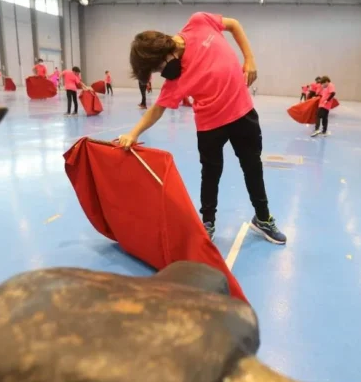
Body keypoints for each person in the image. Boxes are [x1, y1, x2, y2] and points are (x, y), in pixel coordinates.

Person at [118, 12, 286, 245]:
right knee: (210, 174)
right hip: (210, 125)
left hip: (242, 114)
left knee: (253, 168)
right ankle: (208, 222)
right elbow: (157, 109)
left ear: (166, 50)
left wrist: (250, 59)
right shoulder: (174, 80)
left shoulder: (199, 22)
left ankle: (263, 218)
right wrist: (133, 133)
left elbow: (234, 24)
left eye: (158, 67)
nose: (161, 72)